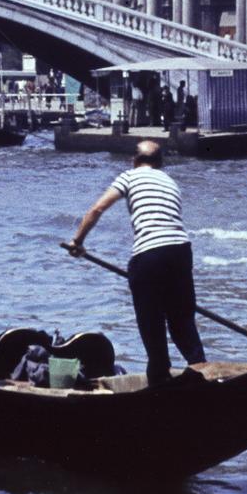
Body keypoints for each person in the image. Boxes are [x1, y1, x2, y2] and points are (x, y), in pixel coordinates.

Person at [65, 141, 206, 387]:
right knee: (182, 320)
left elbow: (98, 208)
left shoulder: (130, 177)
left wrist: (77, 241)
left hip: (149, 254)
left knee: (151, 322)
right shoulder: (169, 181)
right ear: (160, 163)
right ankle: (201, 369)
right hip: (181, 251)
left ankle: (160, 378)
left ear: (134, 161)